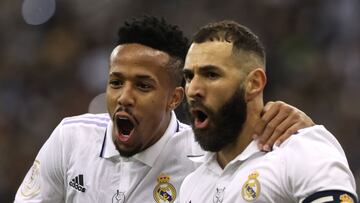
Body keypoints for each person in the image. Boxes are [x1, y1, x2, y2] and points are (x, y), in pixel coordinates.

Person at [14, 16, 314, 203]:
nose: (124, 97)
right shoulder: (72, 139)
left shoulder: (204, 157)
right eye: (116, 82)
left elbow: (279, 176)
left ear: (175, 98)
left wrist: (300, 128)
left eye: (143, 86)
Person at [179, 20, 358, 203]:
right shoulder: (192, 184)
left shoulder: (301, 151)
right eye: (189, 77)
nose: (193, 90)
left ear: (254, 83)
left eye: (211, 74)